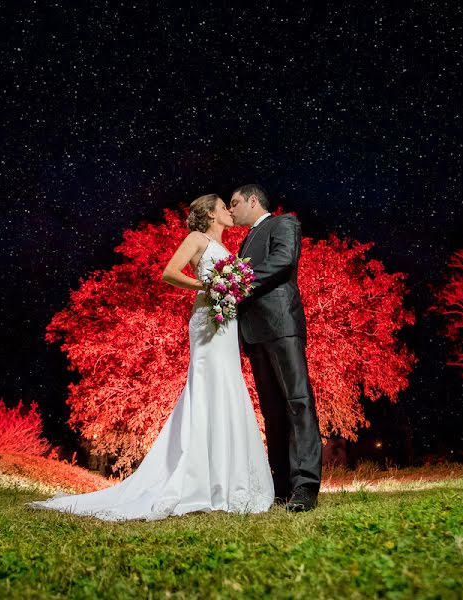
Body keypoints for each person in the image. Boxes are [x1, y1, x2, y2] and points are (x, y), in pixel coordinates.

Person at [27, 194, 274, 521]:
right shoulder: (196, 239)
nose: (230, 211)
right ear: (211, 214)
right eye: (223, 206)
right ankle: (198, 479)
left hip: (227, 323)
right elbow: (169, 272)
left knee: (228, 386)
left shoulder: (230, 249)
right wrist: (205, 284)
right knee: (207, 386)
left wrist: (233, 290)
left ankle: (228, 480)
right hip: (206, 322)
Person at [229, 184, 322, 512]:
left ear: (254, 200)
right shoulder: (245, 238)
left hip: (282, 325)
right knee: (272, 412)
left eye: (235, 203)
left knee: (298, 402)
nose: (231, 210)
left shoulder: (284, 223)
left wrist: (237, 285)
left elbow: (283, 261)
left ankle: (306, 487)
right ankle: (280, 487)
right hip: (255, 334)